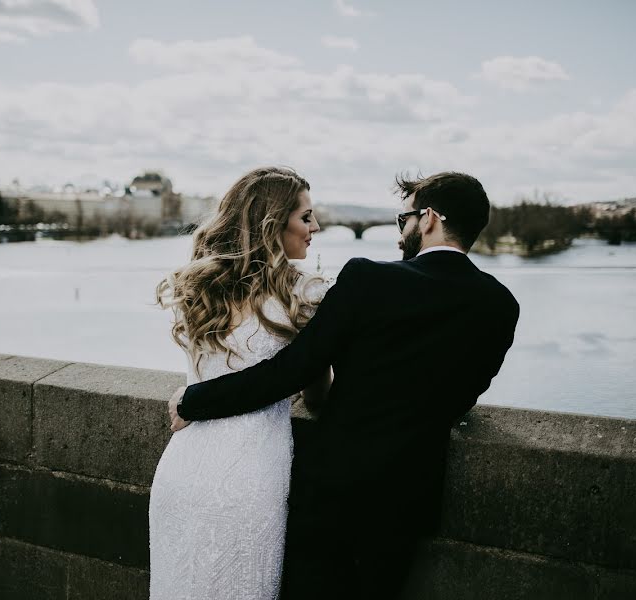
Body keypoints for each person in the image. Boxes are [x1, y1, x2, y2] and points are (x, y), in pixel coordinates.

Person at [168, 171, 520, 599]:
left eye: (403, 218)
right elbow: (461, 399)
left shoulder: (368, 279)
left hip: (330, 492)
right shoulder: (501, 305)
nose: (401, 230)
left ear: (428, 219)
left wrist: (195, 399)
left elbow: (291, 370)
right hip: (408, 500)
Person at [148, 166, 331, 600]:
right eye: (306, 217)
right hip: (251, 477)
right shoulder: (304, 295)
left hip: (183, 470)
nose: (316, 227)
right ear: (273, 223)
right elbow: (319, 398)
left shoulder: (197, 286)